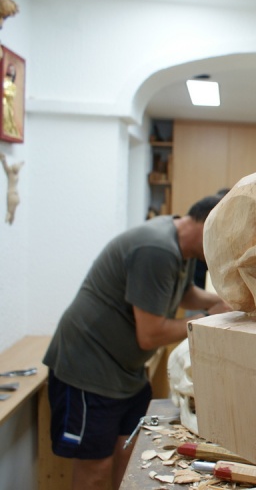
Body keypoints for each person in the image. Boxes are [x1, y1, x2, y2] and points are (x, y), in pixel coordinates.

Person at [43, 194, 232, 490]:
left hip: (124, 371)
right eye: (225, 240)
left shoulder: (178, 244)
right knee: (96, 468)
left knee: (130, 455)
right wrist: (209, 319)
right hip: (88, 369)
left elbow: (184, 293)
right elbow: (150, 335)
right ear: (209, 225)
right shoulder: (156, 248)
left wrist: (220, 302)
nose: (224, 250)